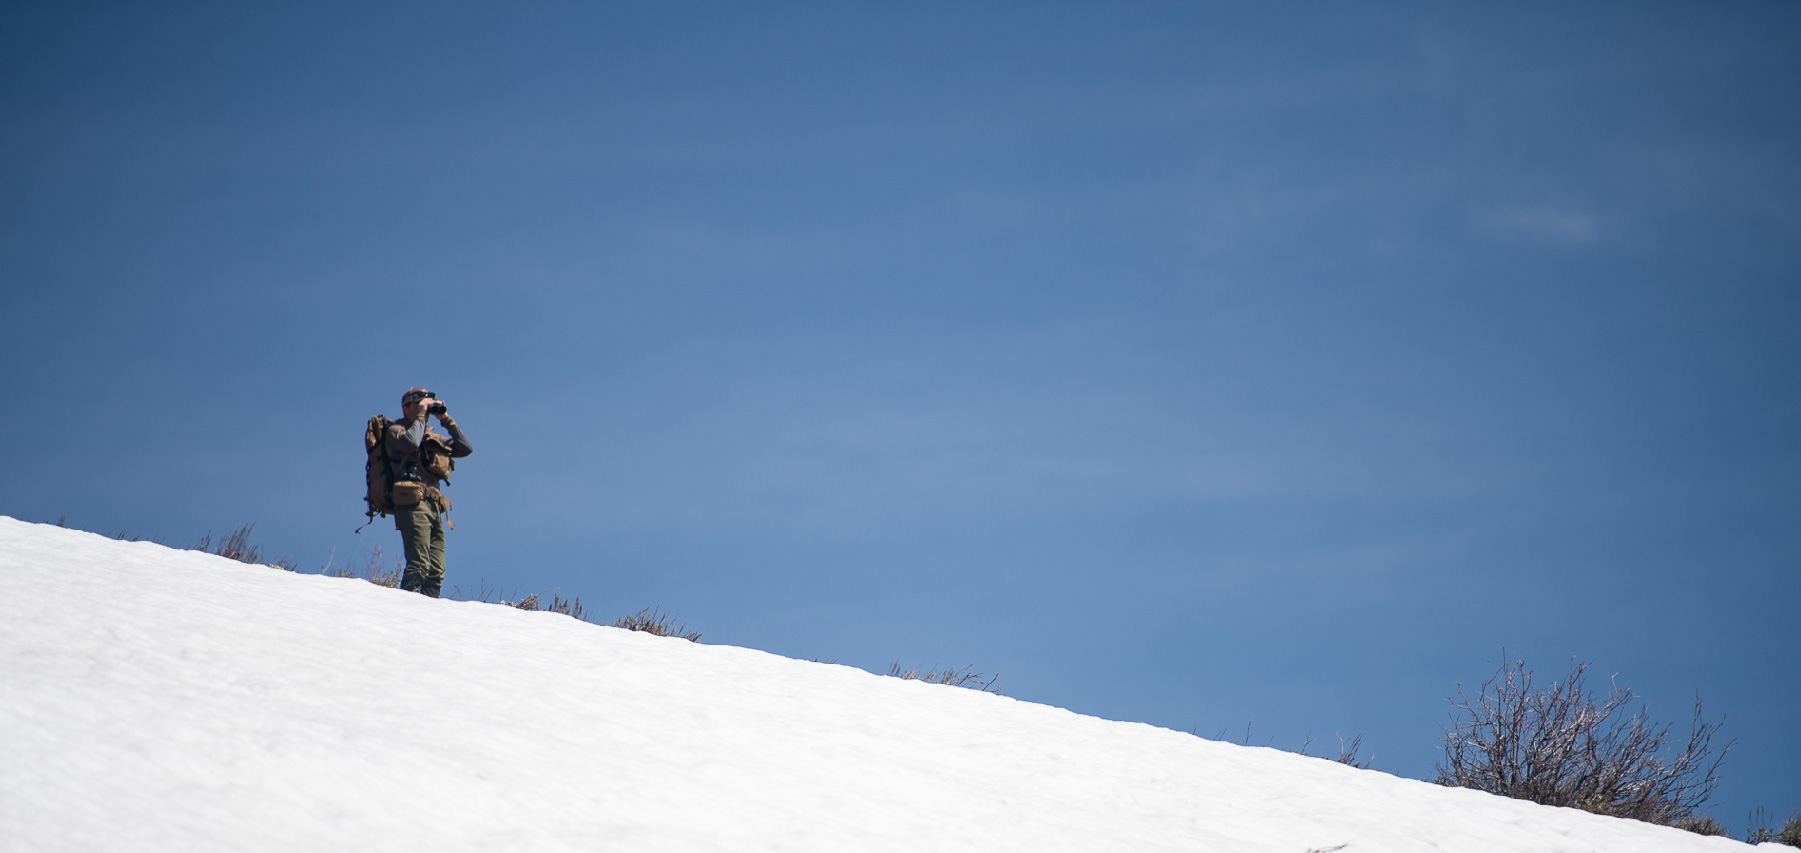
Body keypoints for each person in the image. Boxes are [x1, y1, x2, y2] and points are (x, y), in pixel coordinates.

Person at [384, 387, 474, 597]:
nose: (424, 408)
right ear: (406, 408)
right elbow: (411, 443)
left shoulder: (431, 437)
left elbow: (466, 448)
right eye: (419, 404)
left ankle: (429, 611)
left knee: (436, 569)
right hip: (412, 504)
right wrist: (422, 416)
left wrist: (445, 418)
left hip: (434, 506)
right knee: (419, 564)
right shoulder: (395, 431)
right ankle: (409, 607)